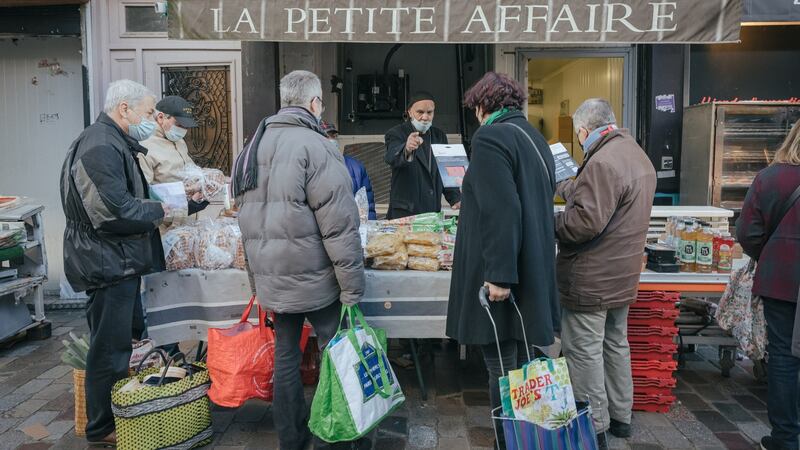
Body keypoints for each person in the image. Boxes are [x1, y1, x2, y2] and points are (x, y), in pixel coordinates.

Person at [232, 70, 365, 450]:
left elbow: (243, 219)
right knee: (336, 352)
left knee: (287, 355)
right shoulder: (317, 145)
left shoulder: (252, 145)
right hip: (316, 279)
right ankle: (337, 435)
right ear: (313, 103)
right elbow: (339, 224)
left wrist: (256, 282)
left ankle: (291, 439)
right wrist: (352, 289)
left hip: (273, 276)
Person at [446, 72, 560, 450]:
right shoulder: (532, 136)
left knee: (502, 369)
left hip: (503, 274)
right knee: (522, 363)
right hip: (531, 267)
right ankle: (528, 438)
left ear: (483, 106)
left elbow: (502, 210)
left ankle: (509, 442)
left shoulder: (491, 136)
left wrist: (498, 276)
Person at [60, 79, 169, 447]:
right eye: (149, 111)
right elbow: (113, 210)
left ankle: (115, 416)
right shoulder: (100, 145)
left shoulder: (111, 141)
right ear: (125, 109)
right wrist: (160, 209)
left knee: (119, 343)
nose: (153, 118)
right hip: (107, 261)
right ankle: (101, 426)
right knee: (109, 348)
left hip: (115, 259)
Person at [555, 98, 656, 448]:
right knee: (615, 344)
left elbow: (584, 223)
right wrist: (568, 186)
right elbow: (604, 199)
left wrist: (549, 221)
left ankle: (593, 427)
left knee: (584, 352)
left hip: (591, 278)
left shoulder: (601, 162)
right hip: (622, 277)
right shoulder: (634, 154)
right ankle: (620, 417)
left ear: (584, 131)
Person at [736, 120, 800, 450]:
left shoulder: (771, 178)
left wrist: (770, 254)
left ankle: (786, 438)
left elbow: (747, 233)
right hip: (782, 276)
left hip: (782, 279)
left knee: (785, 358)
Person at [384, 92, 460, 219]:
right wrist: (406, 148)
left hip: (432, 211)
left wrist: (455, 198)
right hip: (405, 213)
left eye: (429, 112)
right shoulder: (396, 133)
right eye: (420, 112)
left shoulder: (439, 135)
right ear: (409, 112)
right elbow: (391, 157)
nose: (425, 117)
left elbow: (446, 171)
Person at [138, 95, 209, 216]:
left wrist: (206, 182)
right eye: (179, 124)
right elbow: (144, 195)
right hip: (165, 226)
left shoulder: (179, 142)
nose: (183, 130)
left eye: (185, 126)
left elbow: (189, 172)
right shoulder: (145, 147)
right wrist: (187, 208)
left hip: (185, 222)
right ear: (161, 117)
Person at [321, 120, 376, 219]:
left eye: (333, 136)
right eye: (325, 137)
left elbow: (367, 206)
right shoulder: (309, 167)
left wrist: (369, 228)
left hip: (351, 229)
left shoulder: (356, 167)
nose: (331, 140)